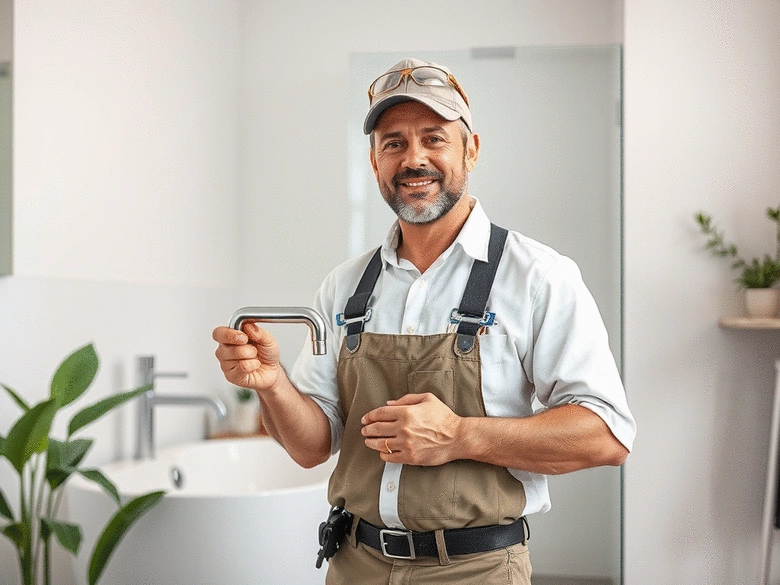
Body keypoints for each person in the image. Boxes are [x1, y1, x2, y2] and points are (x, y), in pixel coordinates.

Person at [213, 57, 636, 584]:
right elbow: (310, 448)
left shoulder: (539, 277)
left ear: (471, 150)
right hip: (354, 564)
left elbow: (605, 436)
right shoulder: (344, 287)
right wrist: (272, 384)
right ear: (374, 161)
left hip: (477, 570)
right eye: (394, 143)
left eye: (434, 138)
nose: (414, 159)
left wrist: (460, 435)